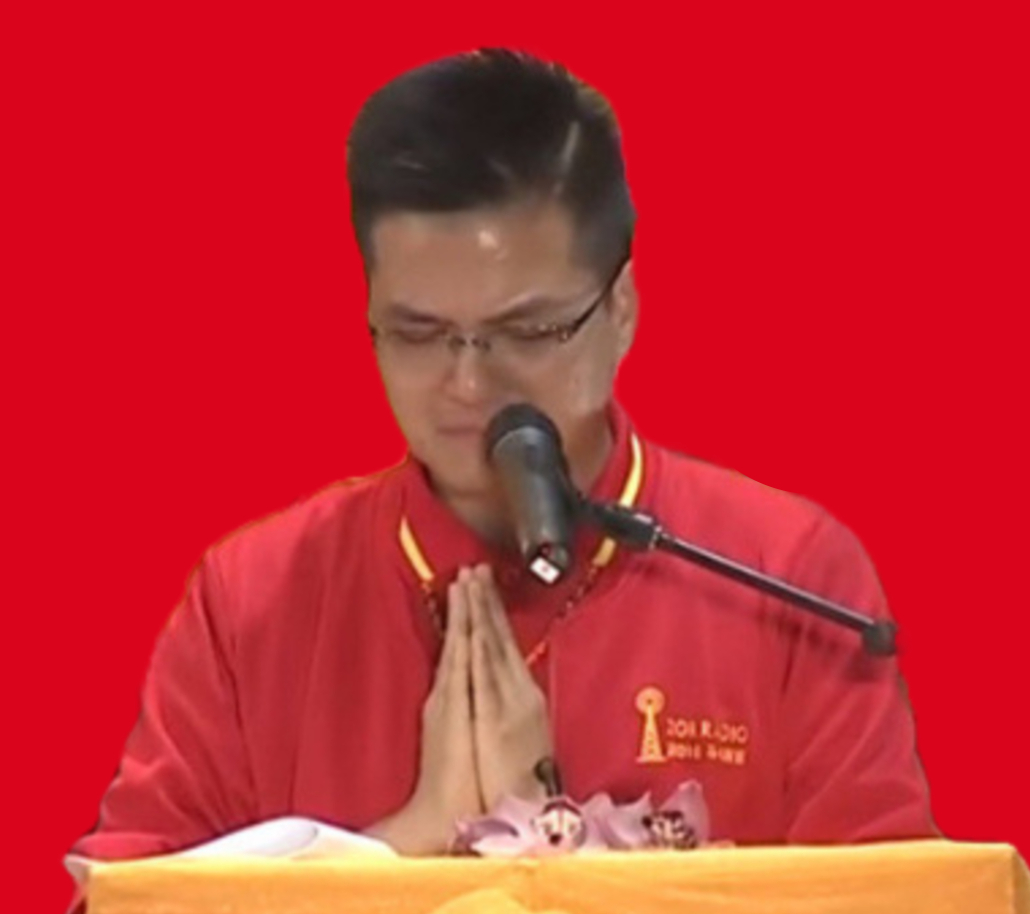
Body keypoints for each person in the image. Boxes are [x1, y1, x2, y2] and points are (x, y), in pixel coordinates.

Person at [71, 49, 936, 862]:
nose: (467, 384)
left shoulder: (789, 576)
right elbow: (124, 900)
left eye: (525, 331)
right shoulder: (251, 603)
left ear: (621, 310)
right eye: (419, 334)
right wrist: (407, 847)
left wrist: (555, 863)